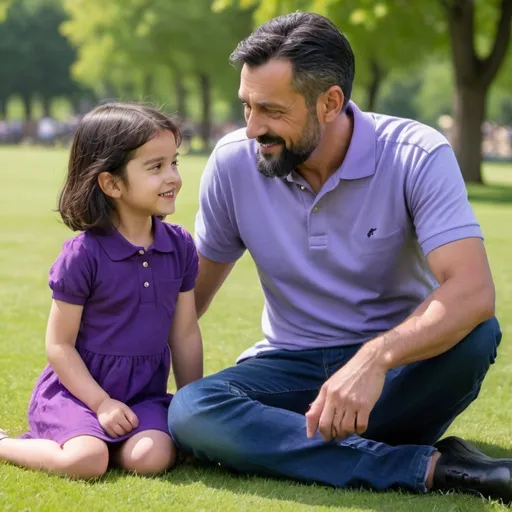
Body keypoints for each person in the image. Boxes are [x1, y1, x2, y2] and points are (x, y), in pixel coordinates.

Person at [168, 12, 511, 503]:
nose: (251, 129)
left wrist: (374, 359)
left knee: (477, 334)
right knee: (192, 411)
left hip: (397, 373)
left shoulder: (416, 153)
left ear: (330, 103)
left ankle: (290, 445)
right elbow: (188, 299)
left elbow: (473, 291)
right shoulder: (233, 163)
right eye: (246, 106)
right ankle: (433, 467)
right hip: (291, 366)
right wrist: (101, 395)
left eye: (270, 110)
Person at [0, 103, 203, 479]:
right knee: (87, 461)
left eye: (174, 162)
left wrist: (196, 412)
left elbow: (185, 333)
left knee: (153, 458)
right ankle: (5, 445)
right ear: (111, 183)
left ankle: (113, 441)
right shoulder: (83, 254)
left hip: (143, 397)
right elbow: (59, 345)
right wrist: (101, 403)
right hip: (78, 394)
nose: (173, 176)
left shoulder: (179, 246)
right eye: (156, 167)